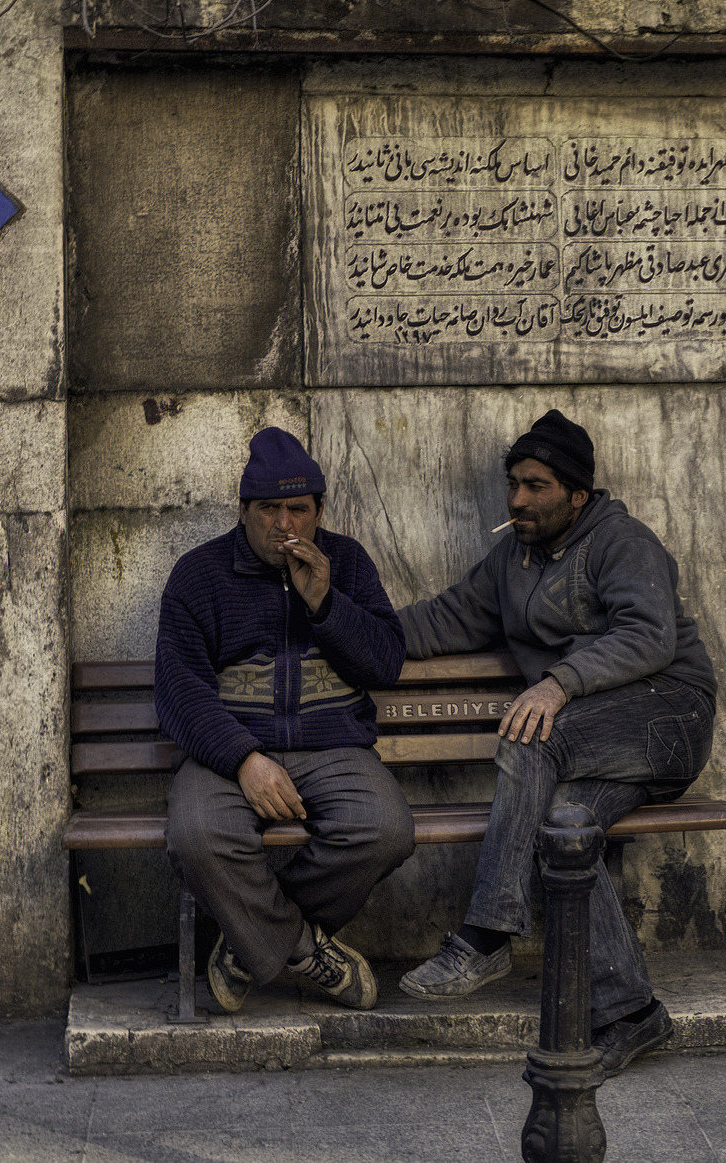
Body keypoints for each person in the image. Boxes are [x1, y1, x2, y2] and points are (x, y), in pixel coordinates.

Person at [394, 409, 717, 1081]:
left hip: (667, 721)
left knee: (530, 738)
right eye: (513, 483)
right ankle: (631, 1011)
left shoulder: (622, 542)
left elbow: (650, 637)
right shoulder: (512, 558)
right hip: (596, 741)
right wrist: (330, 621)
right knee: (562, 828)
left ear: (576, 494)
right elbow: (442, 620)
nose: (517, 500)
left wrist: (556, 684)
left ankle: (486, 936)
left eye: (535, 486)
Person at [155, 427, 411, 1014]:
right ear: (243, 510)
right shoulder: (199, 575)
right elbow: (178, 687)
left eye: (299, 509)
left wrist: (326, 603)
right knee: (196, 837)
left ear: (319, 511)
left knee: (385, 830)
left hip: (333, 748)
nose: (284, 524)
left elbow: (386, 661)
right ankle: (302, 949)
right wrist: (244, 760)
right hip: (227, 752)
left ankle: (247, 945)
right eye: (268, 508)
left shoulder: (345, 562)